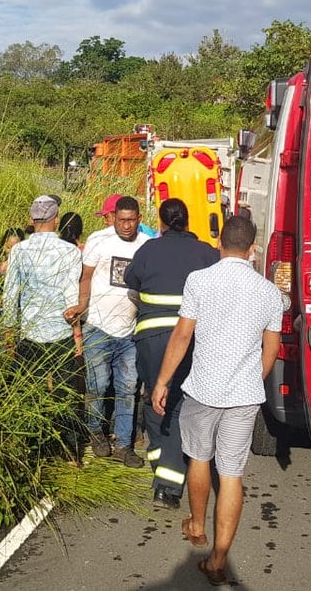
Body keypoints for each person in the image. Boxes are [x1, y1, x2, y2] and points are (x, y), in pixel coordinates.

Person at [152, 215, 282, 586]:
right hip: (244, 396)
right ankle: (218, 559)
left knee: (199, 458)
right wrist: (252, 380)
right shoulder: (269, 292)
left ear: (219, 244)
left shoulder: (200, 280)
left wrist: (162, 381)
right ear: (253, 249)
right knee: (231, 473)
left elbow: (182, 336)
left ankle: (197, 526)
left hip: (203, 388)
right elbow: (271, 349)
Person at [124, 198, 218, 509]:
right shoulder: (206, 253)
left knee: (154, 398)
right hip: (190, 339)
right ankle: (167, 485)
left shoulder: (148, 250)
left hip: (150, 339)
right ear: (188, 221)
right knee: (179, 406)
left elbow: (130, 281)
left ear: (161, 224)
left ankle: (160, 462)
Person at [2, 194, 85, 465]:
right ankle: (70, 453)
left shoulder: (19, 251)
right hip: (60, 332)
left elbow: (10, 295)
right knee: (65, 393)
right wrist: (77, 335)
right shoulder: (70, 252)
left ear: (31, 219)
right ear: (56, 219)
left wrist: (8, 332)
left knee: (31, 393)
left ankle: (33, 451)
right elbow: (71, 298)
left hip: (29, 333)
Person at [68, 195, 148, 467]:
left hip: (129, 331)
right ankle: (96, 432)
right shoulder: (99, 240)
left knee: (128, 388)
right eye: (121, 220)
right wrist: (81, 306)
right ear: (114, 218)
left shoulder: (146, 245)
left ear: (139, 219)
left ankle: (124, 445)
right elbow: (86, 276)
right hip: (98, 326)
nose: (126, 225)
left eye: (131, 220)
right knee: (98, 386)